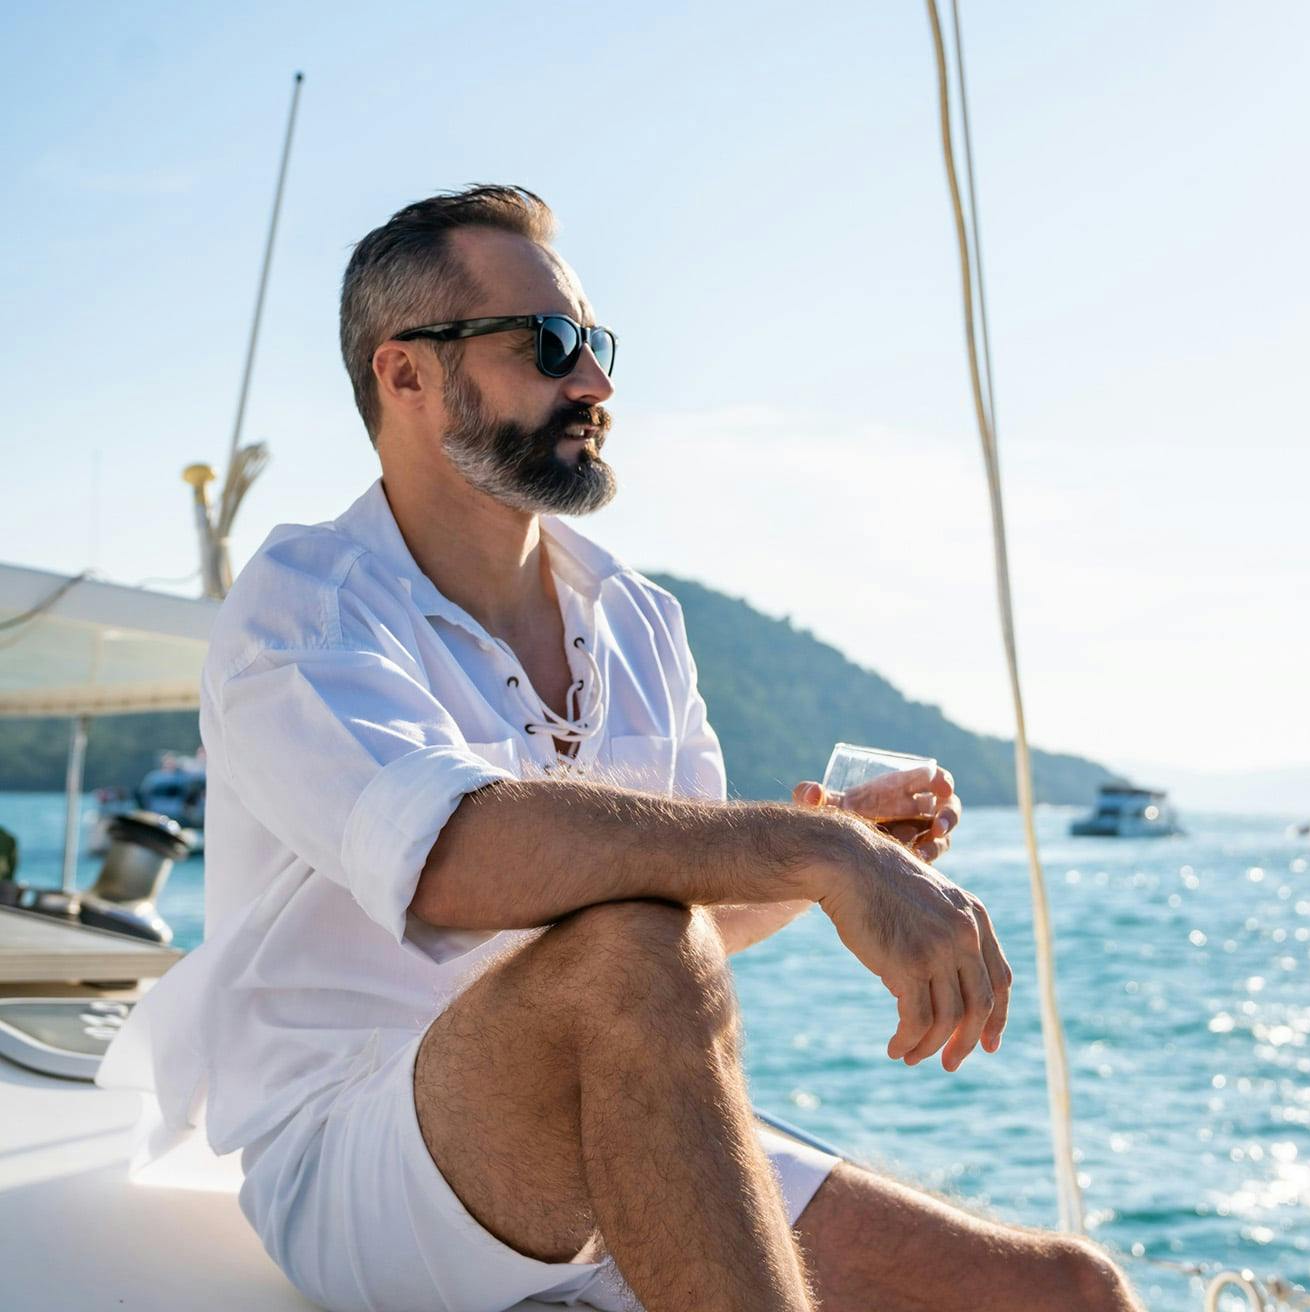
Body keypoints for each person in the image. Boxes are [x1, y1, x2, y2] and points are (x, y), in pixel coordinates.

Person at [100, 184, 1144, 1312]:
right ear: (404, 375)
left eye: (596, 346)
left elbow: (693, 926)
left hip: (612, 1095)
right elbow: (455, 858)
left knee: (1069, 1292)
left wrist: (835, 847)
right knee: (631, 949)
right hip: (358, 1148)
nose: (594, 384)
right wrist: (821, 853)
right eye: (549, 344)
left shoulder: (638, 619)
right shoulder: (306, 606)